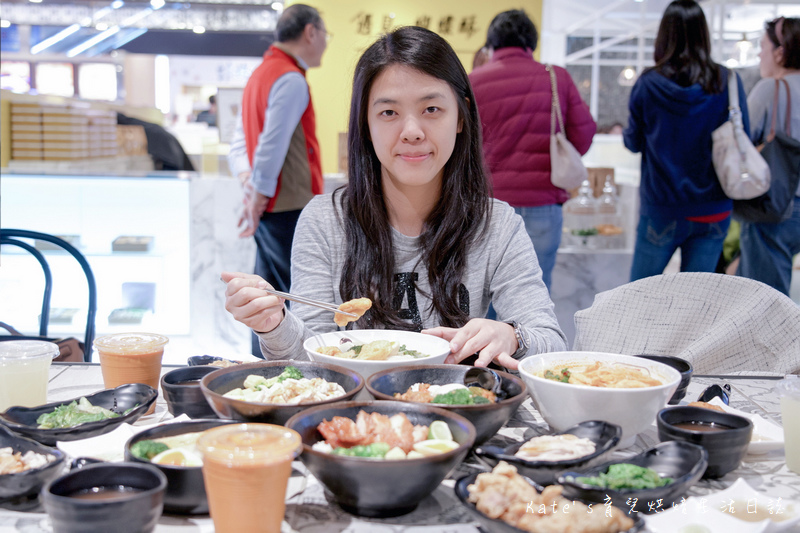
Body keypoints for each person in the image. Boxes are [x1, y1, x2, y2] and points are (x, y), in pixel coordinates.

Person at [222, 26, 566, 370]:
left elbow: (548, 340)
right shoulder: (325, 220)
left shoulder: (497, 224)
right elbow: (310, 358)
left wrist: (512, 335)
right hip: (351, 415)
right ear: (366, 124)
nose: (412, 131)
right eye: (389, 113)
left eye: (432, 109)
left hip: (453, 415)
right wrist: (274, 325)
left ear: (460, 116)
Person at [469, 10, 596, 293]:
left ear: (491, 44)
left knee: (485, 293)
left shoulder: (472, 82)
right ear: (531, 43)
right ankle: (530, 339)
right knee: (534, 291)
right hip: (543, 203)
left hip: (488, 203)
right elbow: (584, 134)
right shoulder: (556, 78)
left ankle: (487, 339)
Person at [227, 4, 328, 356]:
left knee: (265, 294)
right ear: (310, 33)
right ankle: (298, 376)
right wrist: (255, 199)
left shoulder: (259, 74)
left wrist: (250, 191)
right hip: (289, 206)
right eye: (325, 35)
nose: (326, 44)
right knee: (291, 298)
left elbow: (239, 144)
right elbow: (271, 147)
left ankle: (262, 368)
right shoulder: (290, 78)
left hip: (270, 206)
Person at [623, 0, 749, 281]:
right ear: (704, 34)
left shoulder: (648, 84)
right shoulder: (727, 81)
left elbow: (632, 142)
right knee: (696, 302)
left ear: (663, 35)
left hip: (661, 206)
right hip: (713, 209)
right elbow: (745, 137)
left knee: (638, 295)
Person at [737, 17, 800, 297]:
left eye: (763, 46)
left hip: (778, 204)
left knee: (767, 299)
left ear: (780, 52)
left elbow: (740, 140)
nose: (760, 54)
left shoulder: (772, 89)